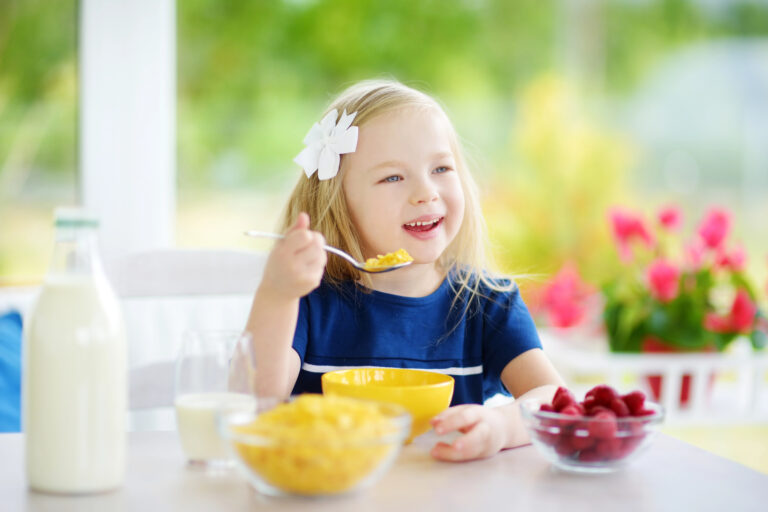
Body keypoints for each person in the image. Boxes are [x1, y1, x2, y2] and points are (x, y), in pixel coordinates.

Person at [244, 79, 564, 462]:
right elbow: (256, 402)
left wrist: (501, 427)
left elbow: (554, 400)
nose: (426, 192)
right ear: (338, 203)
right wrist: (278, 294)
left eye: (441, 168)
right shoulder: (308, 302)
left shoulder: (488, 304)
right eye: (393, 177)